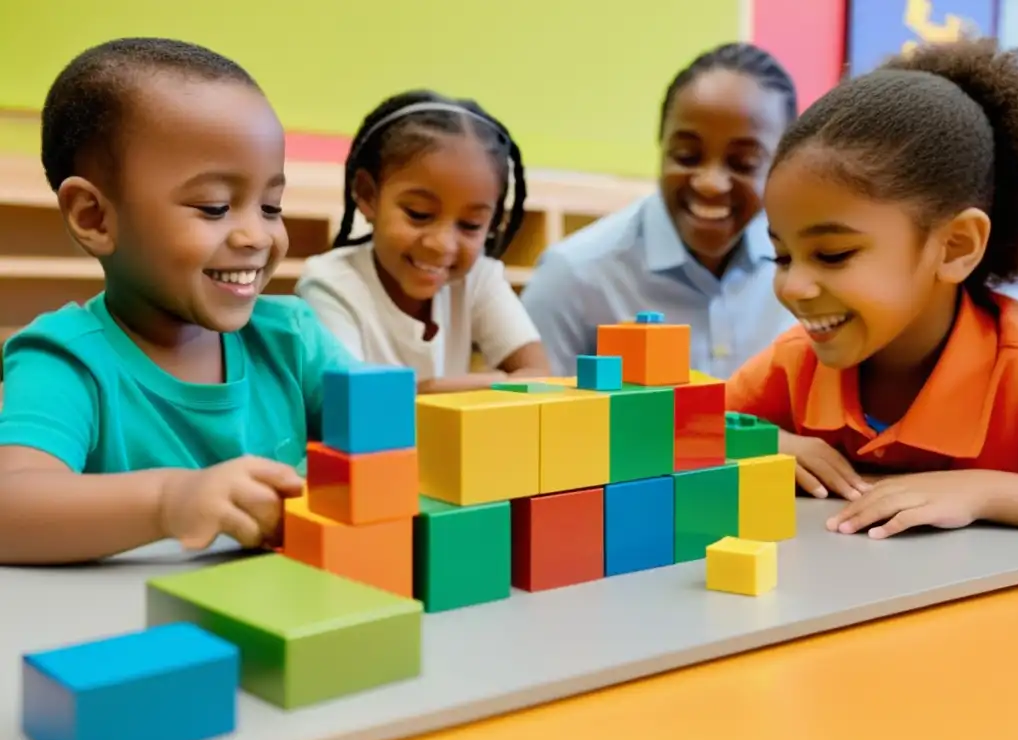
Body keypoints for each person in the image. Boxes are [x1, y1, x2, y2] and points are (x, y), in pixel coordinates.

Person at [0, 38, 358, 565]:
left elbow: (393, 432)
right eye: (215, 207)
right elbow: (10, 508)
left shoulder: (293, 340)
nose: (257, 236)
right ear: (94, 217)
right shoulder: (66, 362)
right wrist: (172, 501)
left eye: (270, 206)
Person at [726, 38, 1018, 540]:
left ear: (954, 247)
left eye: (833, 254)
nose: (793, 285)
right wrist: (758, 443)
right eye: (781, 256)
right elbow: (665, 432)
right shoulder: (795, 365)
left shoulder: (1014, 369)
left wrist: (987, 492)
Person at [520, 43, 798, 379]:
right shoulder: (573, 277)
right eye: (686, 156)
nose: (711, 183)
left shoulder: (807, 270)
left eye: (744, 163)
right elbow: (533, 418)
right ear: (661, 145)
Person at [295, 90, 549, 393]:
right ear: (367, 194)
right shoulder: (330, 285)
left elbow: (540, 378)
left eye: (470, 225)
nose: (441, 244)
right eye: (419, 214)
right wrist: (497, 384)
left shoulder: (479, 278)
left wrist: (421, 390)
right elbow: (354, 401)